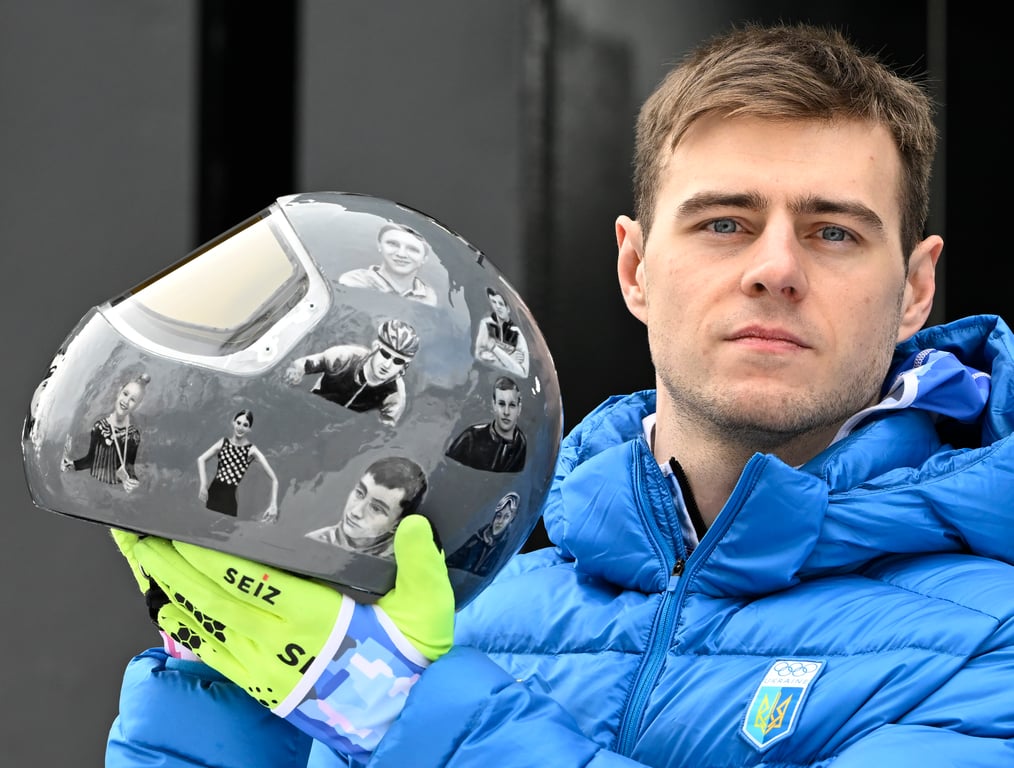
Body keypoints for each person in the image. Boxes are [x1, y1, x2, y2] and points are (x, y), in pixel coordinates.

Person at [106, 22, 1014, 768]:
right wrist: (227, 700)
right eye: (725, 223)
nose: (775, 268)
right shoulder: (461, 619)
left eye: (835, 233)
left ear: (915, 290)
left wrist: (393, 708)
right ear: (635, 266)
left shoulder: (993, 643)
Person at [284, 318, 419, 426]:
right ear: (375, 347)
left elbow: (385, 429)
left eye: (398, 361)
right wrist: (296, 373)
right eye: (385, 354)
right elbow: (304, 363)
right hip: (309, 408)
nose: (388, 364)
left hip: (341, 431)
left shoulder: (395, 395)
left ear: (404, 367)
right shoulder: (345, 357)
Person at [304, 456, 428, 557]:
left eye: (376, 508)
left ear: (396, 525)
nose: (356, 512)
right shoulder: (313, 543)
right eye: (359, 493)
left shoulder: (403, 563)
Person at [61, 371, 151, 493]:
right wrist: (69, 465)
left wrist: (132, 482)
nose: (126, 401)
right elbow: (90, 460)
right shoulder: (100, 427)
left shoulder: (133, 435)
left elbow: (130, 467)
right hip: (93, 487)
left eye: (133, 400)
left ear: (138, 405)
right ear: (119, 392)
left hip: (117, 491)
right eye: (125, 394)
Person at [196, 409, 280, 521]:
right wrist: (203, 484)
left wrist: (273, 504)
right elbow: (201, 459)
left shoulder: (251, 450)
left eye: (245, 425)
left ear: (249, 429)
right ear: (233, 422)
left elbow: (274, 480)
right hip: (212, 495)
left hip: (229, 500)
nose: (240, 427)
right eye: (238, 423)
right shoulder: (223, 442)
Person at [338, 221, 438, 305]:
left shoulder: (429, 297)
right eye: (393, 244)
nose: (401, 254)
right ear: (379, 246)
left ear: (424, 258)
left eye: (413, 249)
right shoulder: (354, 281)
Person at [444, 375, 527, 472]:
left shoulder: (520, 444)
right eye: (501, 404)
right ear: (494, 405)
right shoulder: (470, 438)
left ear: (519, 408)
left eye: (512, 405)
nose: (506, 412)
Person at [445, 491, 519, 576]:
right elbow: (452, 562)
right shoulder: (477, 539)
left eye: (506, 517)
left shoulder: (506, 544)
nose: (500, 521)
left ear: (511, 520)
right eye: (499, 516)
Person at [474, 286, 529, 377]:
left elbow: (523, 372)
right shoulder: (486, 324)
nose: (497, 307)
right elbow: (479, 355)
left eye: (501, 303)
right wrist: (510, 357)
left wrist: (493, 349)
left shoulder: (517, 333)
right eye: (494, 302)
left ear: (508, 308)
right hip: (486, 377)